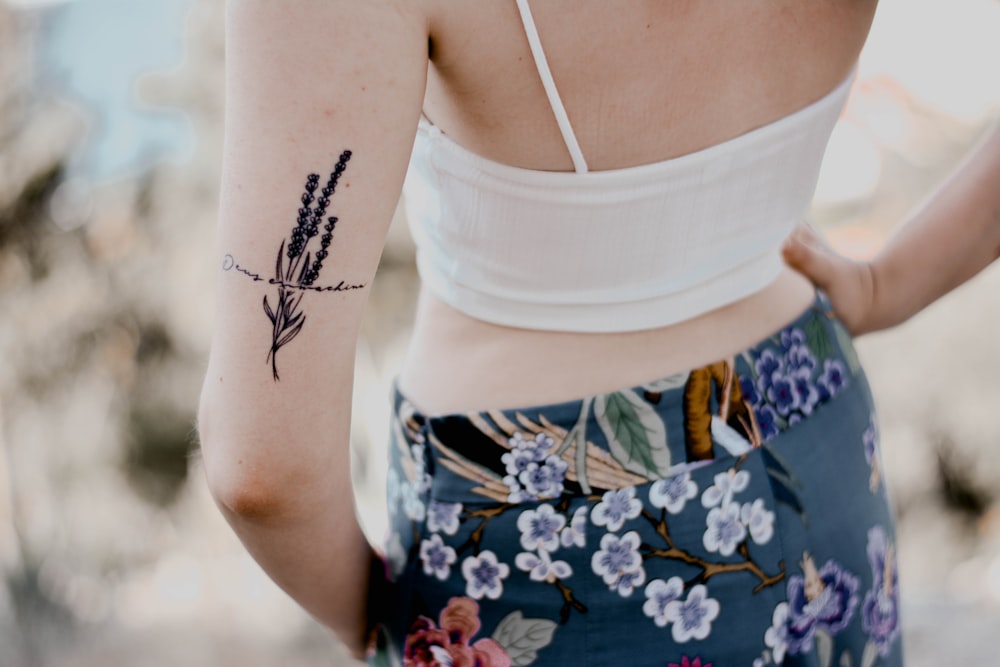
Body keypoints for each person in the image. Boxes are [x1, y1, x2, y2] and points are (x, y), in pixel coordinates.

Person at [196, 1, 1000, 665]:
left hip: (533, 536)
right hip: (815, 430)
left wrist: (378, 627)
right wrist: (888, 282)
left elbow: (264, 467)